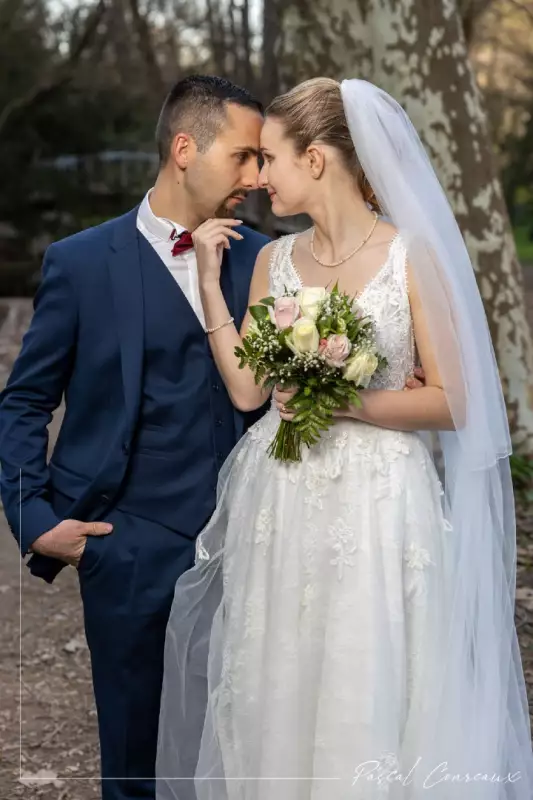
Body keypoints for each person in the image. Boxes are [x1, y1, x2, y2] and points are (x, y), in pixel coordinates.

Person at [156, 78, 533, 799]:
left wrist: (347, 401)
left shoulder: (409, 257)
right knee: (276, 673)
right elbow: (247, 391)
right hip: (282, 498)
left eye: (269, 158)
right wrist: (209, 282)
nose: (259, 177)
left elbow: (454, 402)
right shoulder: (274, 262)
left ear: (318, 160)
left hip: (378, 501)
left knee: (366, 670)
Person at [0, 75, 271, 800]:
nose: (258, 177)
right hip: (126, 543)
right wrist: (38, 521)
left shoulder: (267, 262)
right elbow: (23, 402)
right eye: (244, 157)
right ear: (186, 148)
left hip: (257, 544)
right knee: (135, 762)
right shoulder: (81, 263)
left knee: (250, 748)